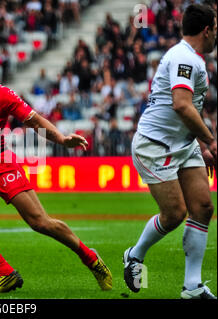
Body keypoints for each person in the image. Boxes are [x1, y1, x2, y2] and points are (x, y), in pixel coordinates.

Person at [0, 38, 112, 294]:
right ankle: (6, 273)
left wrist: (62, 138)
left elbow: (35, 120)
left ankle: (91, 259)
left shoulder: (1, 94)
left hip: (2, 165)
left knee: (40, 222)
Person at [123, 4, 217, 299]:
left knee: (203, 207)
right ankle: (134, 255)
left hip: (184, 144)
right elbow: (181, 104)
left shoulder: (191, 58)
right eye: (216, 28)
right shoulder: (183, 57)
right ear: (206, 30)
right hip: (155, 145)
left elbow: (186, 109)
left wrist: (200, 144)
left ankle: (192, 286)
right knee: (175, 213)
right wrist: (211, 140)